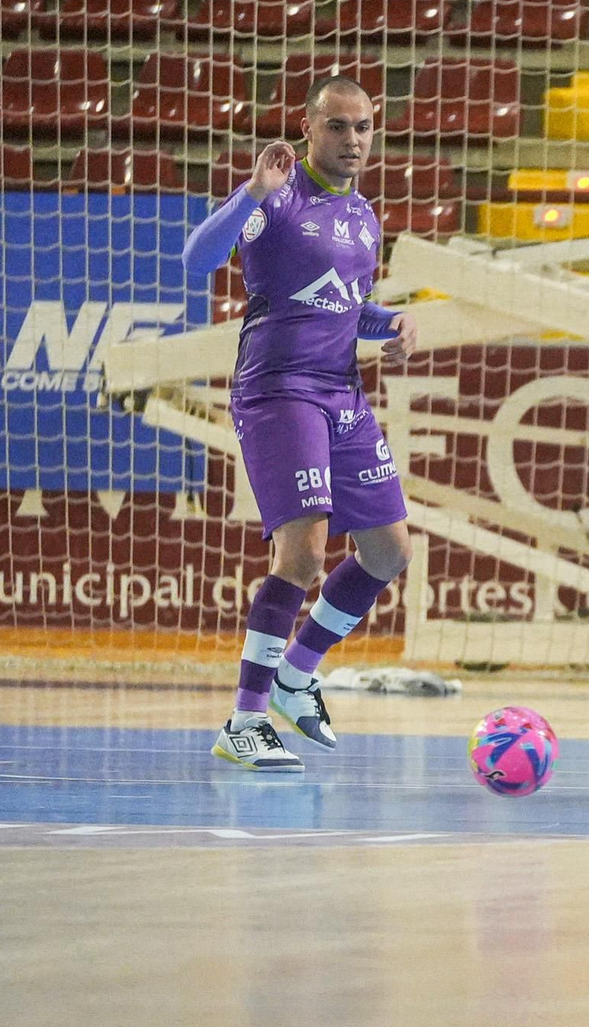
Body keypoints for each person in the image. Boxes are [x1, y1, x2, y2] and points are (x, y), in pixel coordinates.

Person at [183, 76, 416, 771]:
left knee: (388, 553)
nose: (353, 141)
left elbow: (348, 307)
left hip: (342, 392)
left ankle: (296, 672)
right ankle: (245, 721)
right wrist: (252, 190)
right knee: (305, 552)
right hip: (279, 391)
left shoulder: (366, 216)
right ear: (309, 129)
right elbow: (196, 260)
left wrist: (393, 323)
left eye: (364, 127)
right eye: (338, 127)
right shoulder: (278, 199)